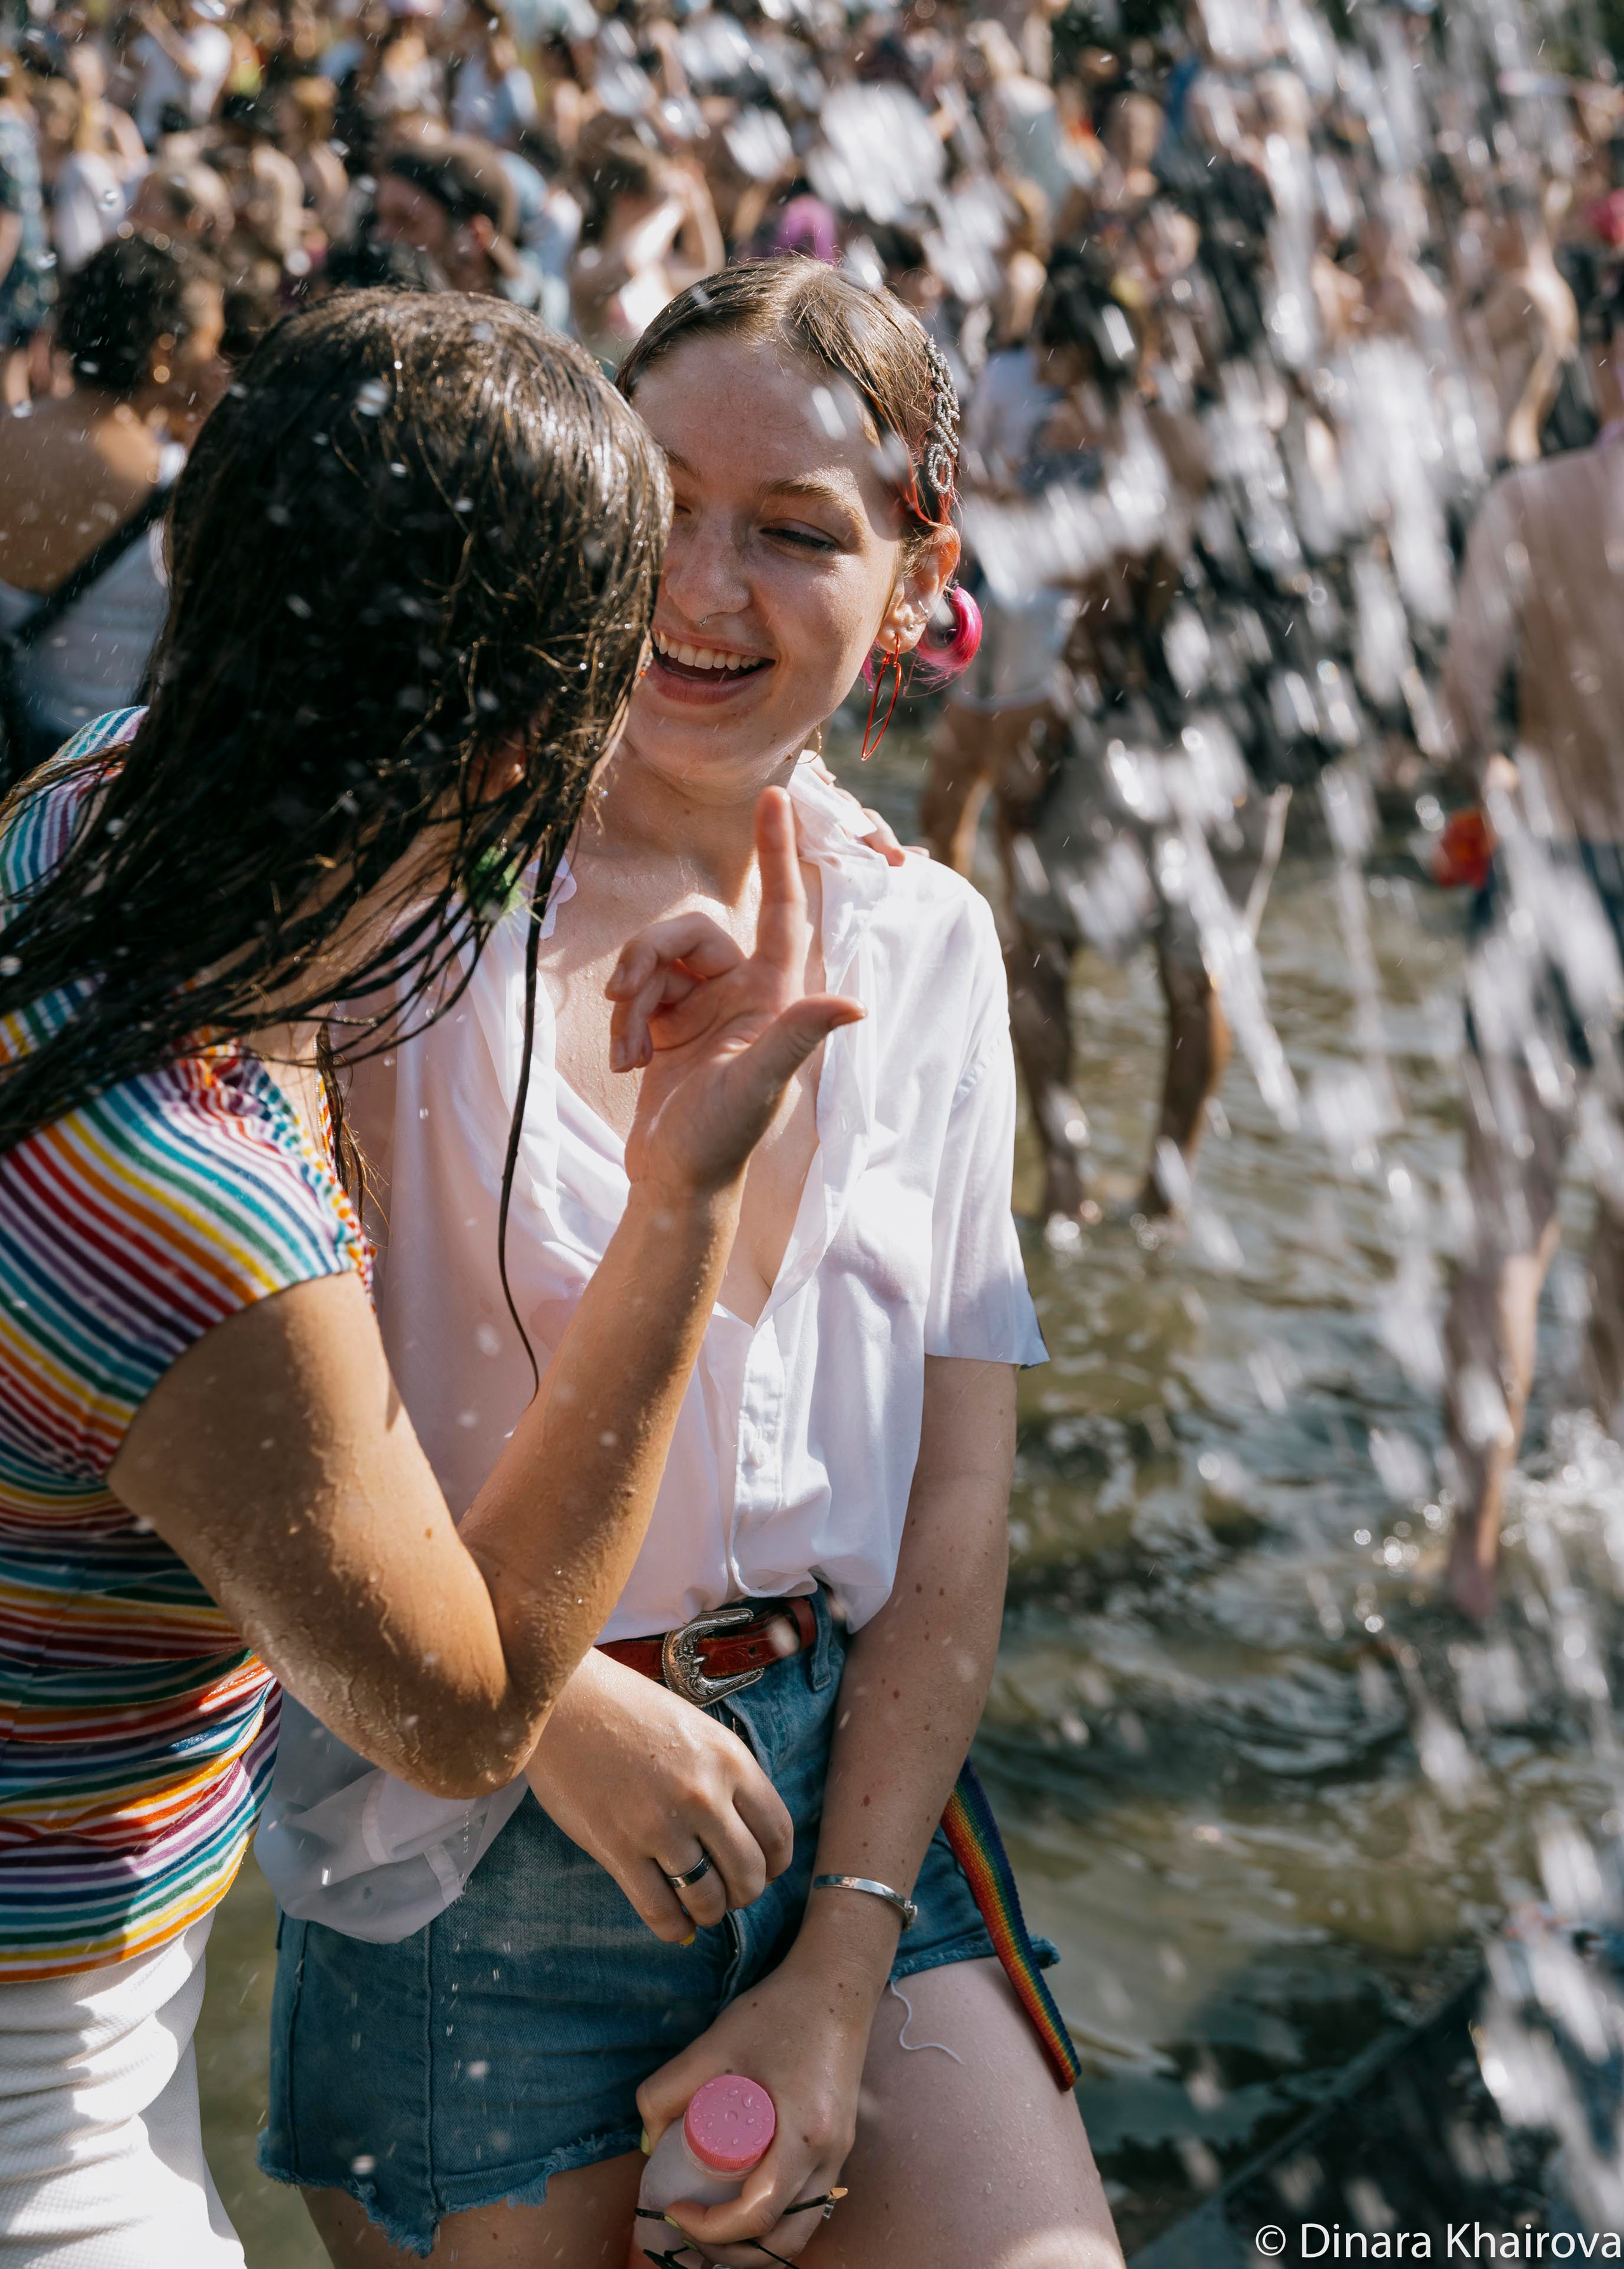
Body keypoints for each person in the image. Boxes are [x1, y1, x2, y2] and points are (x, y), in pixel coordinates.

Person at [258, 259, 1126, 2269]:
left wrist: (839, 1953)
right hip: (472, 1829)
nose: (700, 587)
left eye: (797, 533)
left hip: (846, 1807)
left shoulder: (924, 949)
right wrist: (532, 1702)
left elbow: (959, 1503)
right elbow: (226, 1405)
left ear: (918, 583)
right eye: (660, 502)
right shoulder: (395, 889)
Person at [0, 286, 857, 2266]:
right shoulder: (190, 1205)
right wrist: (681, 1197)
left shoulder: (86, 825)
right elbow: (466, 1707)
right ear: (511, 739)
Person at [1437, 285, 1624, 1620]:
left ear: (1606, 360)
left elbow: (1456, 710)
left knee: (1507, 1229)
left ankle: (1473, 1551)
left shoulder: (1527, 500)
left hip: (1551, 873)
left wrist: (1495, 766)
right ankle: (1600, 1476)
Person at [0, 233, 226, 777]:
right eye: (209, 342)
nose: (216, 362)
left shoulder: (7, 435)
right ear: (165, 354)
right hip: (84, 776)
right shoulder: (175, 487)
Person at [372, 134, 540, 303]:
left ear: (475, 236)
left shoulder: (528, 322)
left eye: (406, 221)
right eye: (379, 218)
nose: (380, 235)